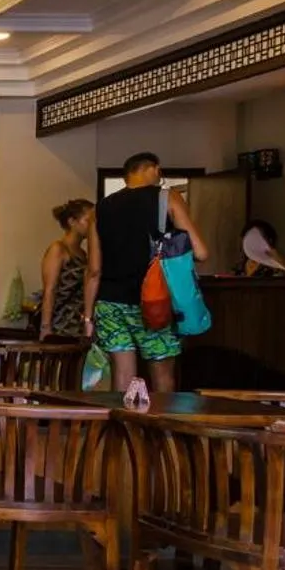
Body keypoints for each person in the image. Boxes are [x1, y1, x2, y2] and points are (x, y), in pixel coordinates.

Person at [83, 153, 208, 394]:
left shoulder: (100, 209)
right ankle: (162, 419)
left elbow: (94, 270)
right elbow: (201, 252)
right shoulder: (167, 197)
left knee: (122, 373)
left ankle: (122, 419)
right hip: (154, 300)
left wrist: (88, 318)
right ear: (154, 169)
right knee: (162, 374)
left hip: (110, 303)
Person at [39, 199, 94, 339]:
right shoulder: (58, 249)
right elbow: (49, 289)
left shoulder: (83, 254)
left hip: (77, 324)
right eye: (88, 221)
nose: (92, 225)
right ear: (72, 222)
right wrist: (46, 327)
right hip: (59, 323)